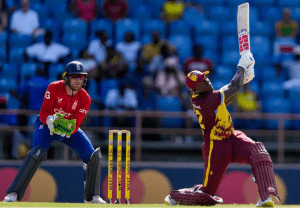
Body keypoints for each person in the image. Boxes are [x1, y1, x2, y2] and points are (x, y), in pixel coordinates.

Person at [164, 52, 281, 207]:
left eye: (205, 77)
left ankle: (266, 198)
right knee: (207, 196)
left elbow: (229, 94)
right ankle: (176, 196)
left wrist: (244, 78)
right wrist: (241, 67)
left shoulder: (207, 95)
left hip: (232, 138)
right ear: (196, 88)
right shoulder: (205, 100)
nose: (207, 80)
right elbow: (232, 87)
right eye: (202, 81)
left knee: (259, 153)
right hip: (216, 147)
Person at [3, 61, 106, 204]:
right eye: (74, 77)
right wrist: (50, 121)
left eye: (81, 77)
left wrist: (60, 125)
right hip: (46, 127)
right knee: (37, 153)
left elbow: (75, 125)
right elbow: (44, 113)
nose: (78, 80)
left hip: (67, 130)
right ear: (67, 78)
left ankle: (93, 197)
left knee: (92, 156)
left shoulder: (85, 98)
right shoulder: (53, 87)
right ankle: (14, 193)